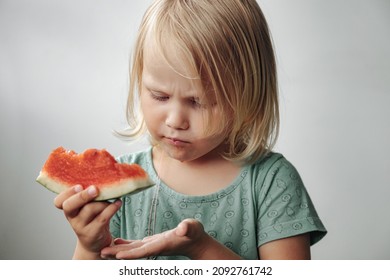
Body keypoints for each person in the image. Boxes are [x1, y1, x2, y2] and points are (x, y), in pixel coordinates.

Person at [54, 0, 327, 260]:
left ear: (247, 95)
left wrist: (202, 250)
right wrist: (88, 247)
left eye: (200, 102)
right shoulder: (119, 191)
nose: (175, 120)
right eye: (159, 96)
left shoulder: (271, 182)